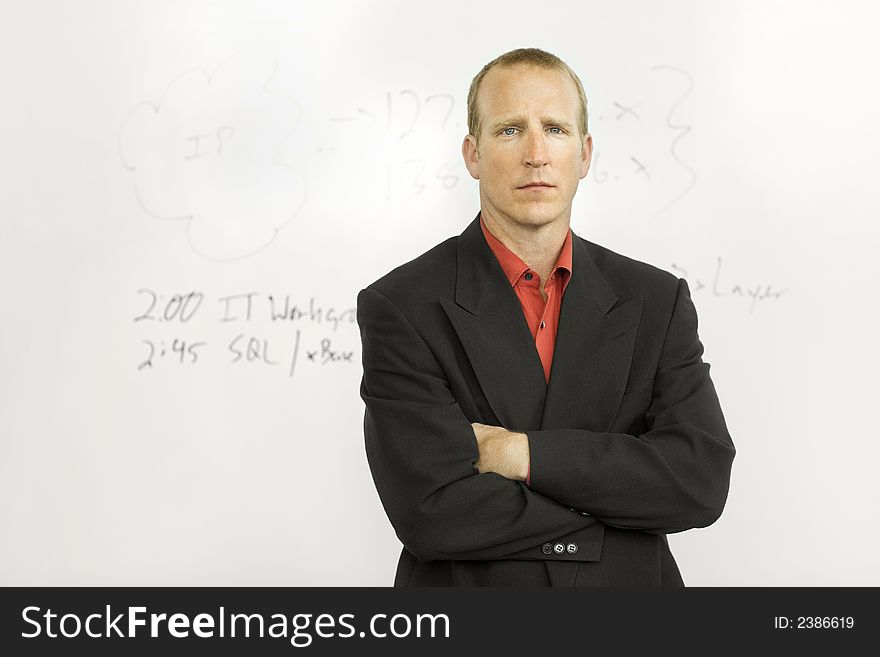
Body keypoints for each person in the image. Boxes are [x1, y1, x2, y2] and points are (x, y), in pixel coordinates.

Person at [356, 48, 735, 586]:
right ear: (473, 154)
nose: (536, 153)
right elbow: (433, 513)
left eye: (554, 129)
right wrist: (620, 500)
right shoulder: (400, 305)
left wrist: (518, 454)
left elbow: (698, 480)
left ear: (584, 154)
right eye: (510, 130)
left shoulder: (656, 299)